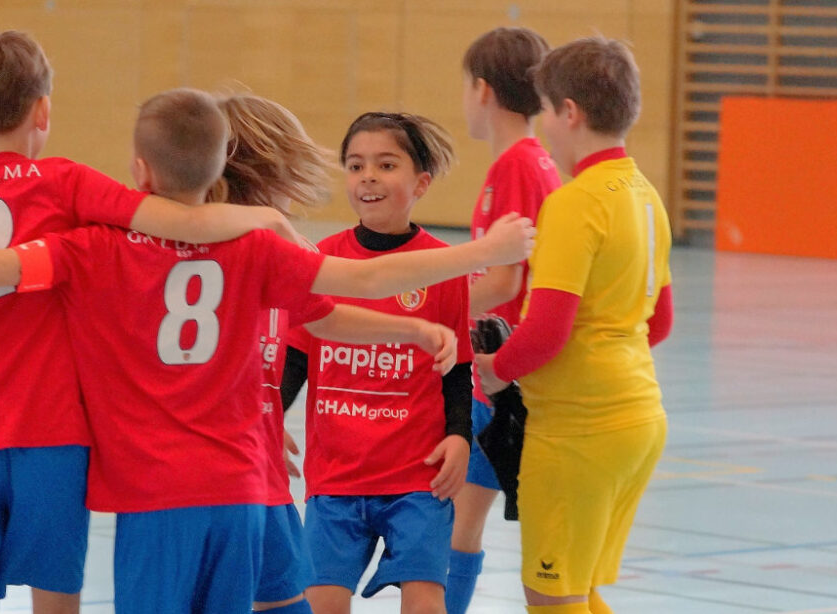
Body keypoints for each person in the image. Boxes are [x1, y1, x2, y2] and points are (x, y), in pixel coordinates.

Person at [0, 88, 536, 614]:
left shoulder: (97, 247)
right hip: (239, 485)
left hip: (158, 493)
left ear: (140, 173)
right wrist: (461, 276)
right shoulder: (262, 248)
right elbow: (354, 295)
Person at [0, 32, 305, 614]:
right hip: (53, 429)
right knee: (56, 591)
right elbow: (171, 220)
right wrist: (265, 218)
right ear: (43, 109)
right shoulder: (64, 183)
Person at [475, 37, 674, 614]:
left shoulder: (574, 203)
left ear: (570, 112)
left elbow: (547, 332)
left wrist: (495, 370)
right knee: (576, 591)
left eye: (546, 113)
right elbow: (656, 322)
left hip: (578, 434)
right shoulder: (646, 196)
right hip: (638, 418)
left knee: (550, 594)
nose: (545, 132)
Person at [281, 111, 473, 614]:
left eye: (386, 165)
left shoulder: (442, 267)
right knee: (318, 601)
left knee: (426, 601)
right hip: (336, 475)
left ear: (421, 183)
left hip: (416, 476)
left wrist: (459, 435)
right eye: (355, 165)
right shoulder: (322, 262)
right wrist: (268, 421)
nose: (368, 176)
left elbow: (457, 367)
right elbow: (295, 358)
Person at [447, 26, 562, 614]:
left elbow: (505, 278)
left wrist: (431, 313)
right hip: (507, 374)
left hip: (499, 376)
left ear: (483, 90)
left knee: (457, 528)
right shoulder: (531, 162)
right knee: (460, 526)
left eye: (465, 86)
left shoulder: (517, 165)